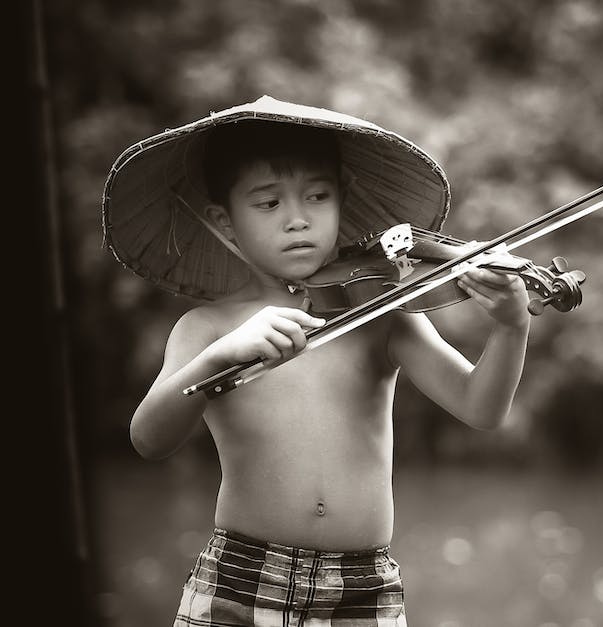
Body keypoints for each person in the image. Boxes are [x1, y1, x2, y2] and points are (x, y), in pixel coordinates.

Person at [102, 96, 532, 626]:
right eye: (268, 204)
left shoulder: (379, 310)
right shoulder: (207, 329)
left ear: (342, 201)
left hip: (362, 588)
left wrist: (512, 326)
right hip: (241, 578)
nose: (298, 220)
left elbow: (480, 407)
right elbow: (148, 438)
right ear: (224, 220)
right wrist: (221, 357)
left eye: (317, 196)